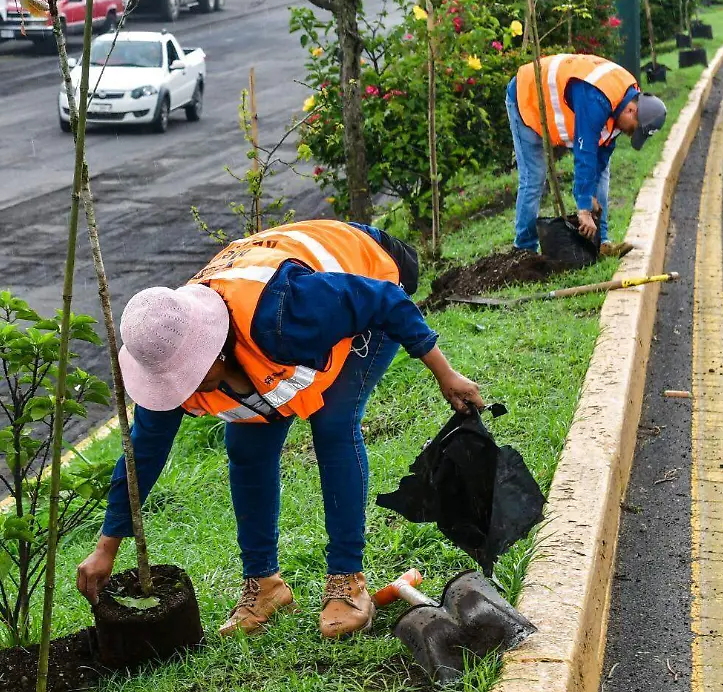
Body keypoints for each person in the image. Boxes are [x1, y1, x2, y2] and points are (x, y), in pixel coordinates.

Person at [73, 220, 485, 640]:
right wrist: (108, 545)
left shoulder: (286, 313)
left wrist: (445, 375)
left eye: (191, 375)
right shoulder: (166, 348)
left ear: (211, 347)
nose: (183, 389)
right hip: (281, 315)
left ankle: (347, 579)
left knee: (334, 422)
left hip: (372, 274)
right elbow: (143, 451)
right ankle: (264, 584)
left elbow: (386, 301)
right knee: (248, 443)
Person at [507, 54, 669, 252]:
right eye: (633, 130)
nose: (629, 135)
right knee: (534, 177)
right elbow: (585, 152)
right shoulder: (597, 99)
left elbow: (600, 157)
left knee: (602, 172)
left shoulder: (624, 100)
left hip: (552, 104)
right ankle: (524, 248)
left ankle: (602, 242)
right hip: (526, 96)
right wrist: (584, 208)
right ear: (631, 110)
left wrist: (591, 194)